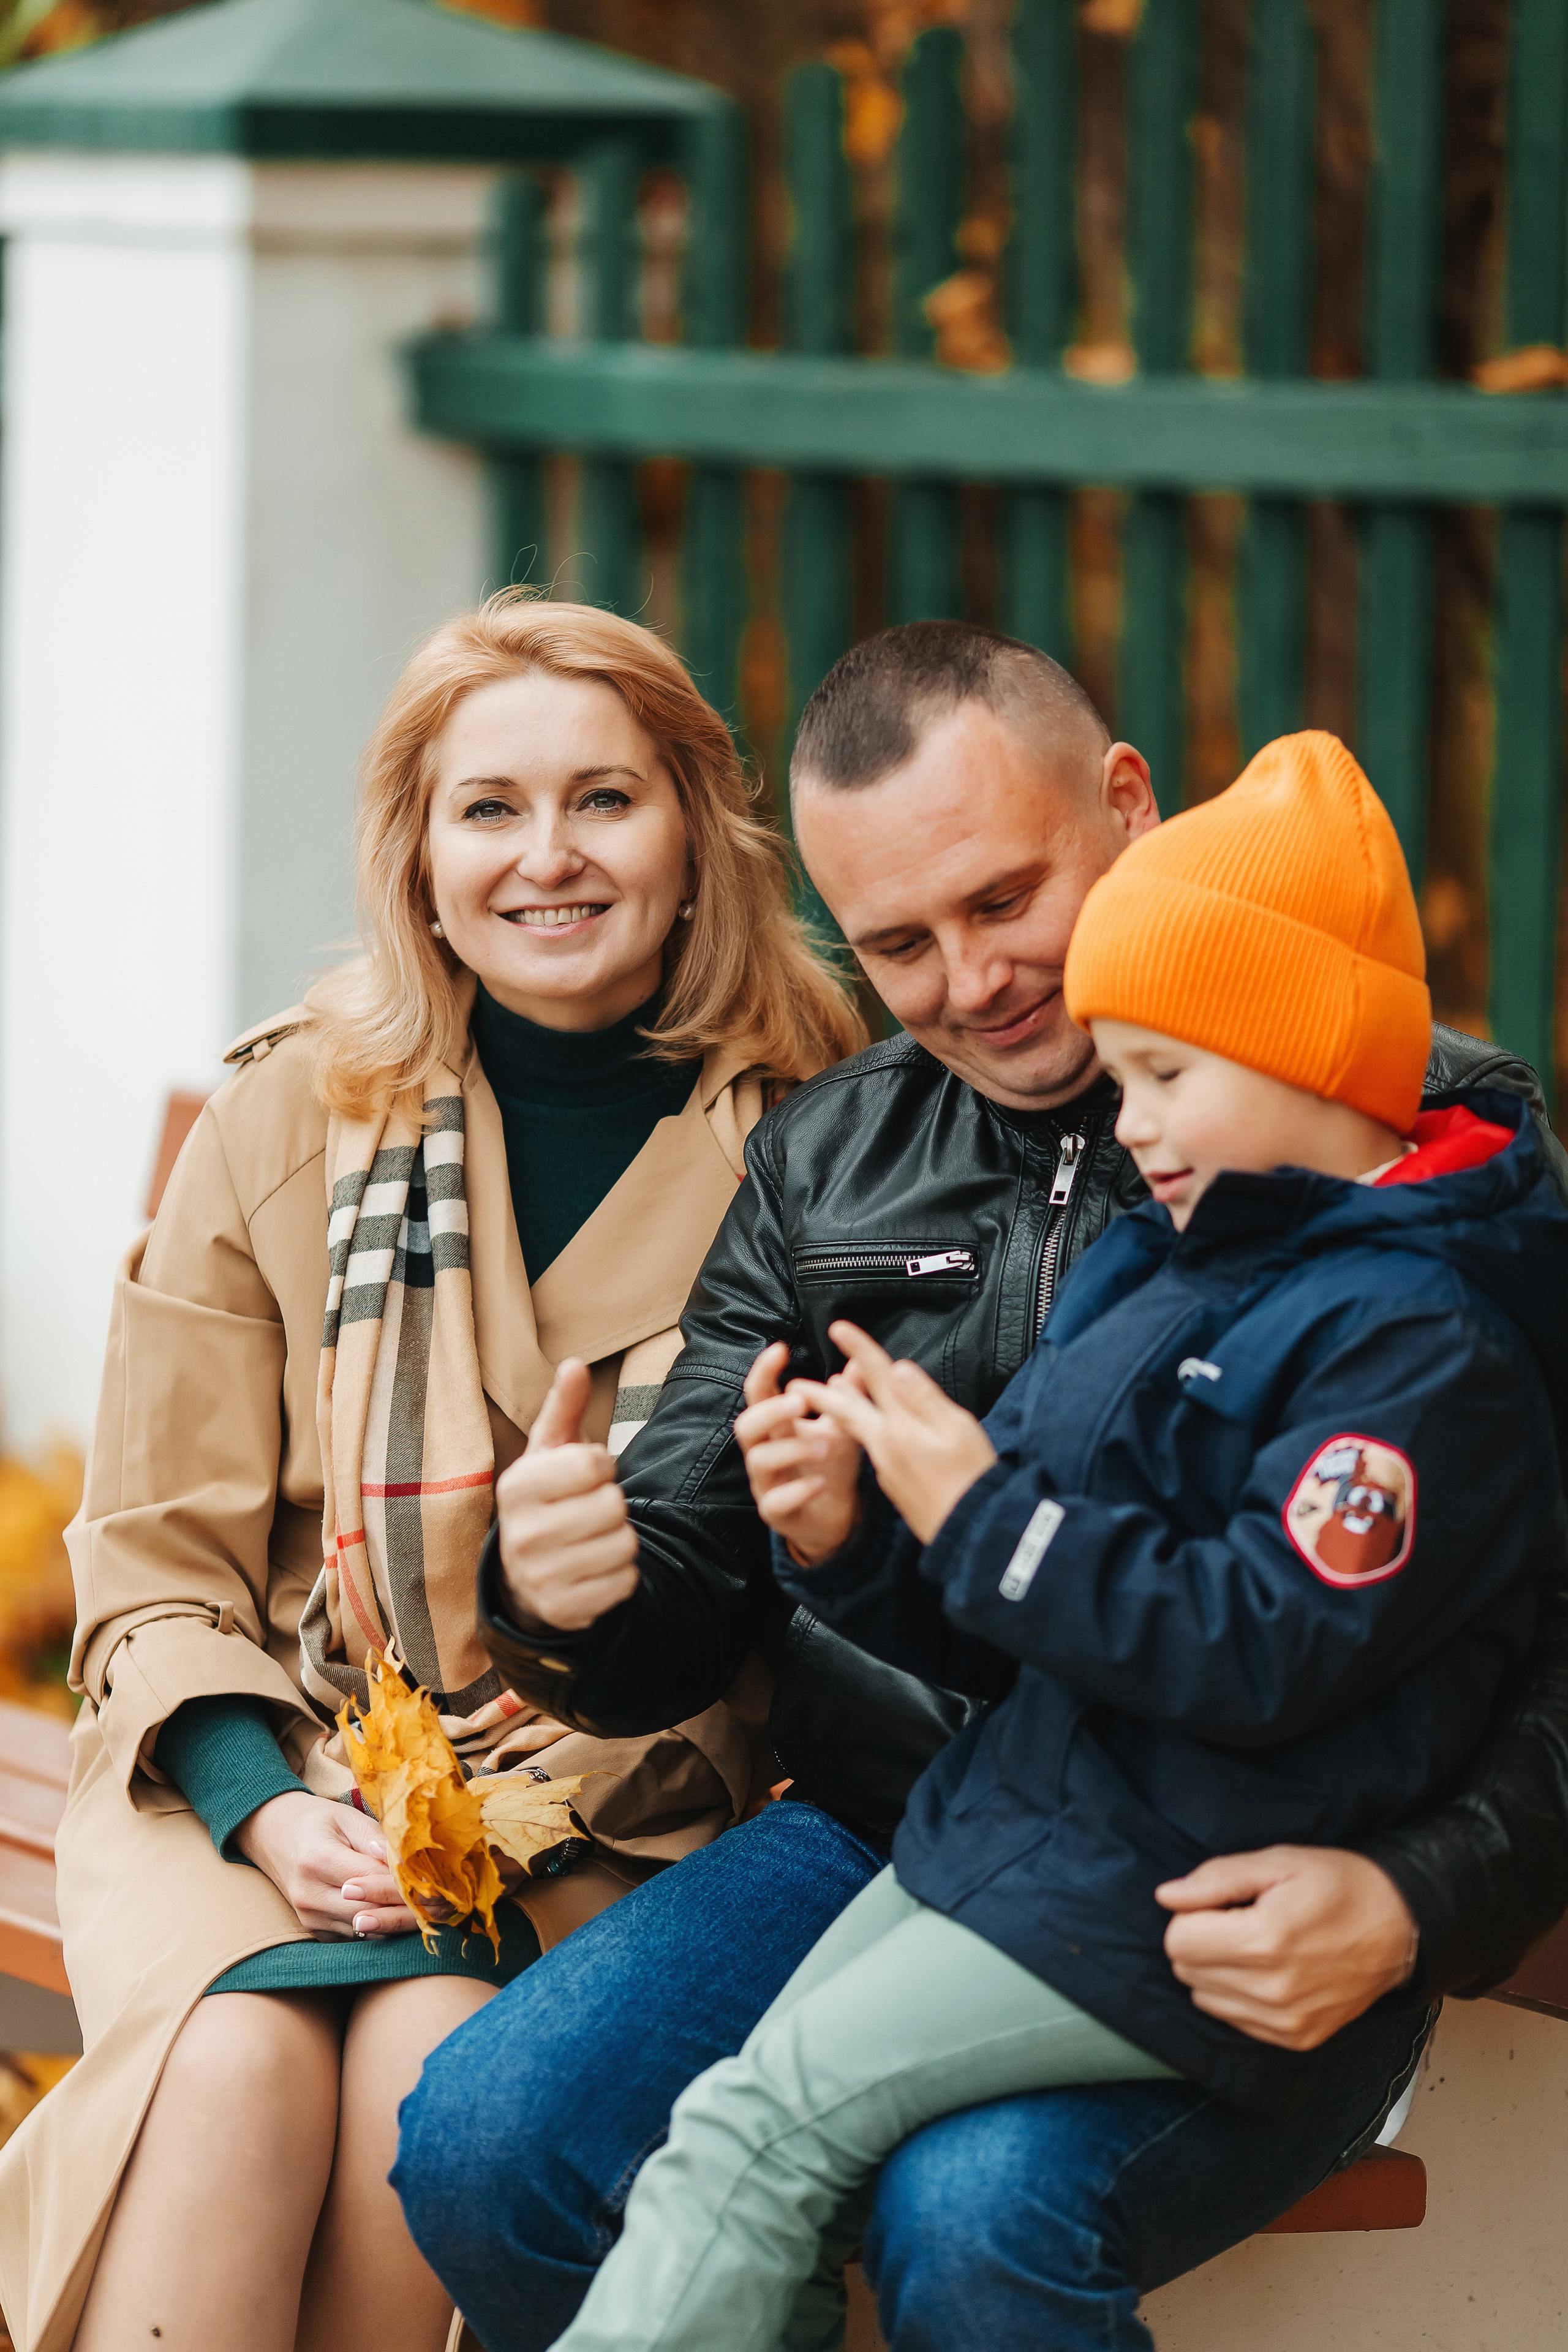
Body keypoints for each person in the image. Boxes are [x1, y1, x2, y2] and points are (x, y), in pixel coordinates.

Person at [395, 624, 1568, 2352]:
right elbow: (689, 1591)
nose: (971, 983)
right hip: (913, 1829)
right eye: (895, 945)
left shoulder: (1390, 1135)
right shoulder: (827, 1161)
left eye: (1007, 902)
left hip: (1261, 1872)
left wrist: (1416, 1897)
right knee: (498, 2144)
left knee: (977, 2214)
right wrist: (565, 1594)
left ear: (1125, 805)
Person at [0, 593, 863, 2352]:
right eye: (489, 809)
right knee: (234, 2063)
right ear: (419, 853)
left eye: (606, 799)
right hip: (251, 1752)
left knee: (427, 2065)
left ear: (697, 827)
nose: (547, 856)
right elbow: (156, 1564)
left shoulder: (828, 1126)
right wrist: (271, 1807)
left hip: (621, 1782)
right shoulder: (289, 1119)